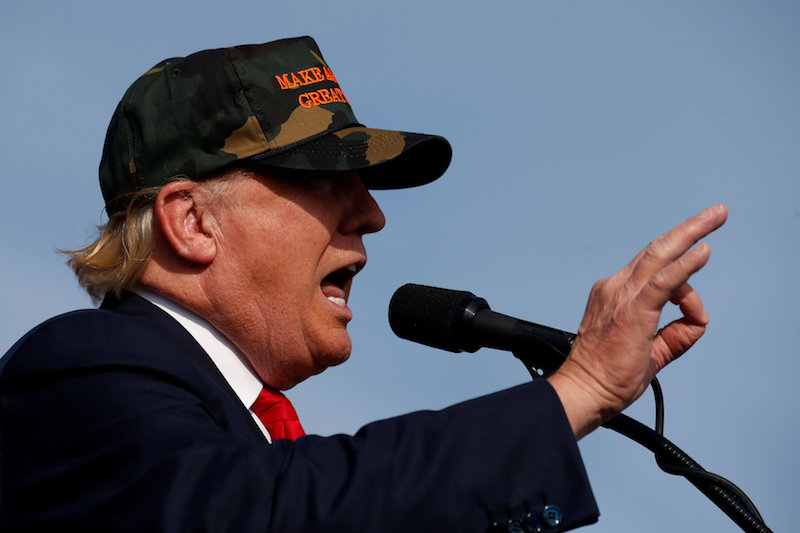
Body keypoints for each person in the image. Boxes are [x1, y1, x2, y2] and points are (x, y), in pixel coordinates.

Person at [0, 36, 727, 532]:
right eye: (323, 179)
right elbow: (263, 514)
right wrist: (580, 388)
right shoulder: (76, 369)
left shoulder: (235, 426)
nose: (372, 214)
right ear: (191, 221)